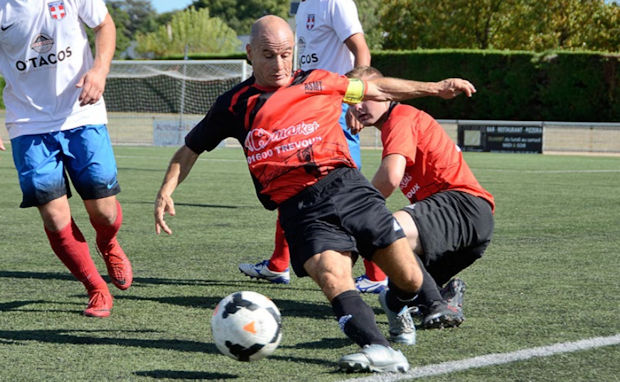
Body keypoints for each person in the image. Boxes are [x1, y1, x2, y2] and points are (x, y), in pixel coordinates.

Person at [154, 15, 475, 373]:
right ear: (249, 54)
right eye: (268, 55)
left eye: (285, 54)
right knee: (330, 273)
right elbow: (190, 148)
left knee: (410, 279)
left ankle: (394, 302)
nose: (279, 64)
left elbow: (377, 90)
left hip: (348, 187)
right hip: (299, 208)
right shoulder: (233, 105)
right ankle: (379, 348)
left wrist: (435, 88)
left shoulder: (320, 83)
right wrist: (166, 189)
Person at [238, 0, 388, 294]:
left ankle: (377, 274)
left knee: (351, 197)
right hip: (306, 109)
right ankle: (279, 264)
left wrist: (353, 103)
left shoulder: (335, 2)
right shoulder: (305, 6)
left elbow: (361, 51)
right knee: (291, 183)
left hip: (332, 109)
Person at [0, 0, 132, 318]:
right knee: (54, 217)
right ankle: (96, 289)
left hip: (82, 112)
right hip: (28, 124)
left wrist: (99, 70)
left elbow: (104, 25)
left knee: (102, 210)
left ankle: (109, 243)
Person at [346, 66, 495, 329]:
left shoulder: (399, 118)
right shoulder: (394, 121)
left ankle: (435, 305)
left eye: (365, 97)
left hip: (461, 207)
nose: (357, 107)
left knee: (385, 229)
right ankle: (443, 296)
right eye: (351, 101)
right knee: (402, 283)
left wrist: (355, 213)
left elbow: (390, 177)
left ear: (389, 94)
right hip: (470, 226)